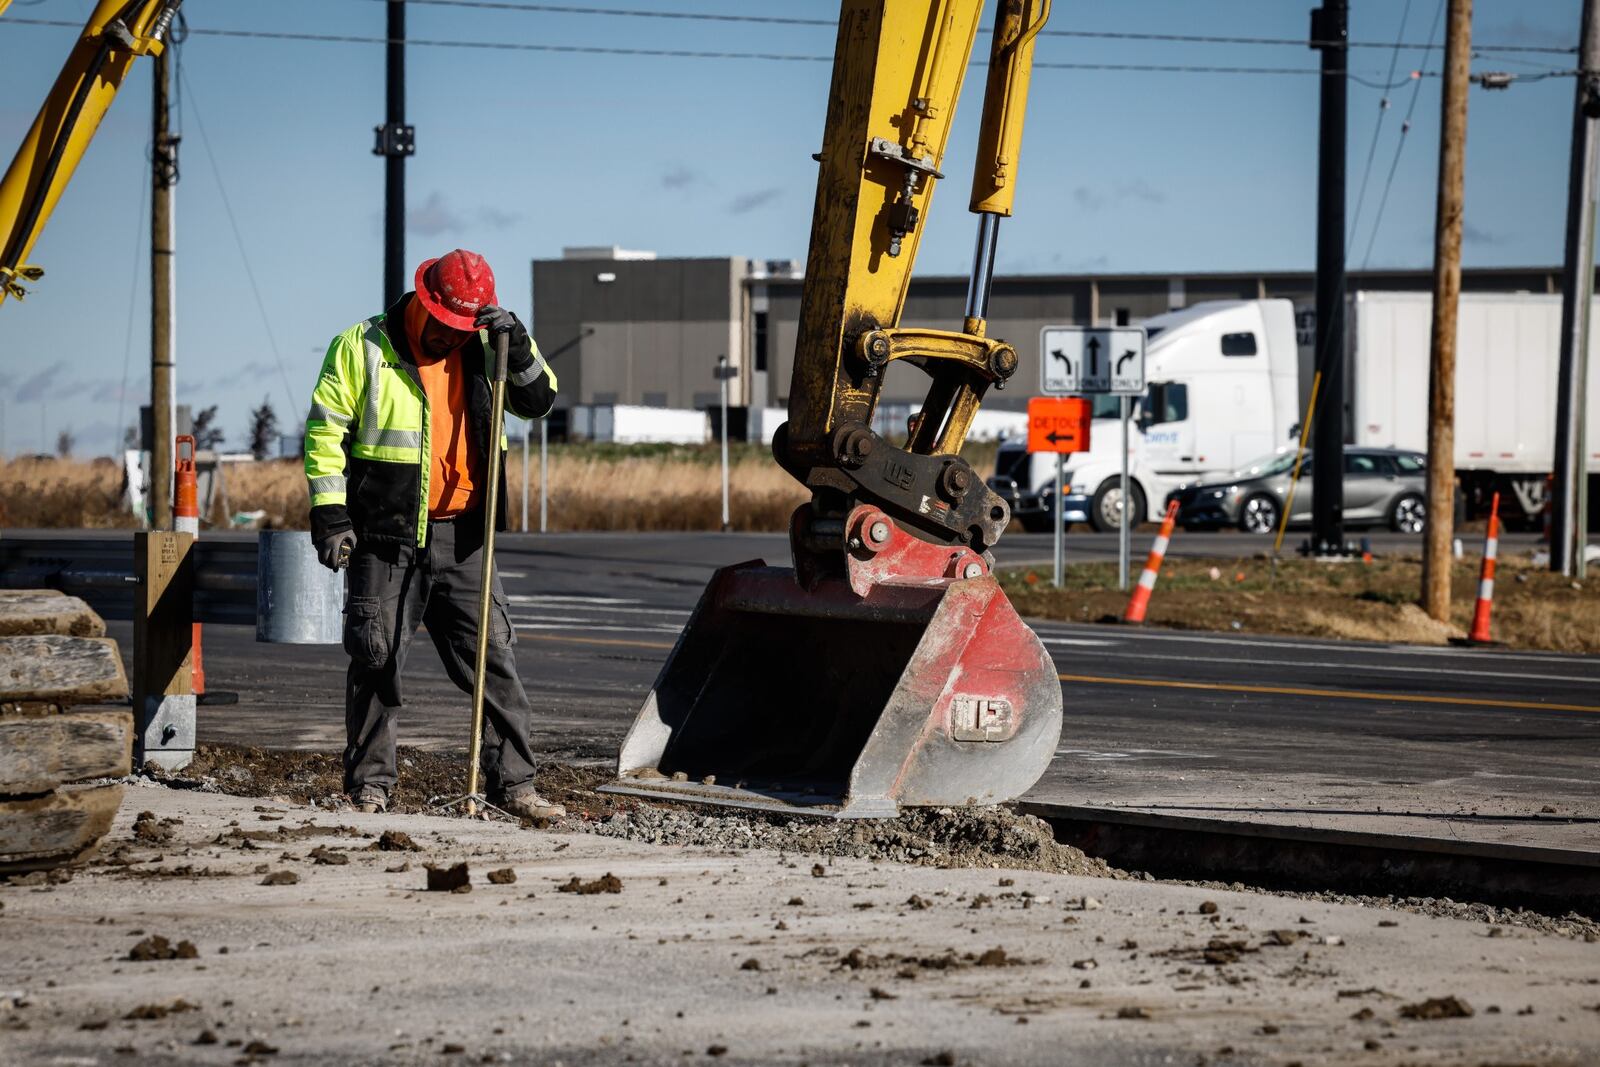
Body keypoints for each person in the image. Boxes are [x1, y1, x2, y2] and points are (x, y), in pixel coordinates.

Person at [302, 248, 563, 818]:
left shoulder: (488, 345)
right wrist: (331, 516)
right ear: (426, 301)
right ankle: (371, 785)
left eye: (463, 327)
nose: (452, 337)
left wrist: (514, 345)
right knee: (377, 659)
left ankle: (515, 784)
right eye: (447, 325)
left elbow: (539, 400)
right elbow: (325, 435)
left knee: (494, 662)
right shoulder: (364, 346)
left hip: (466, 536)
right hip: (386, 535)